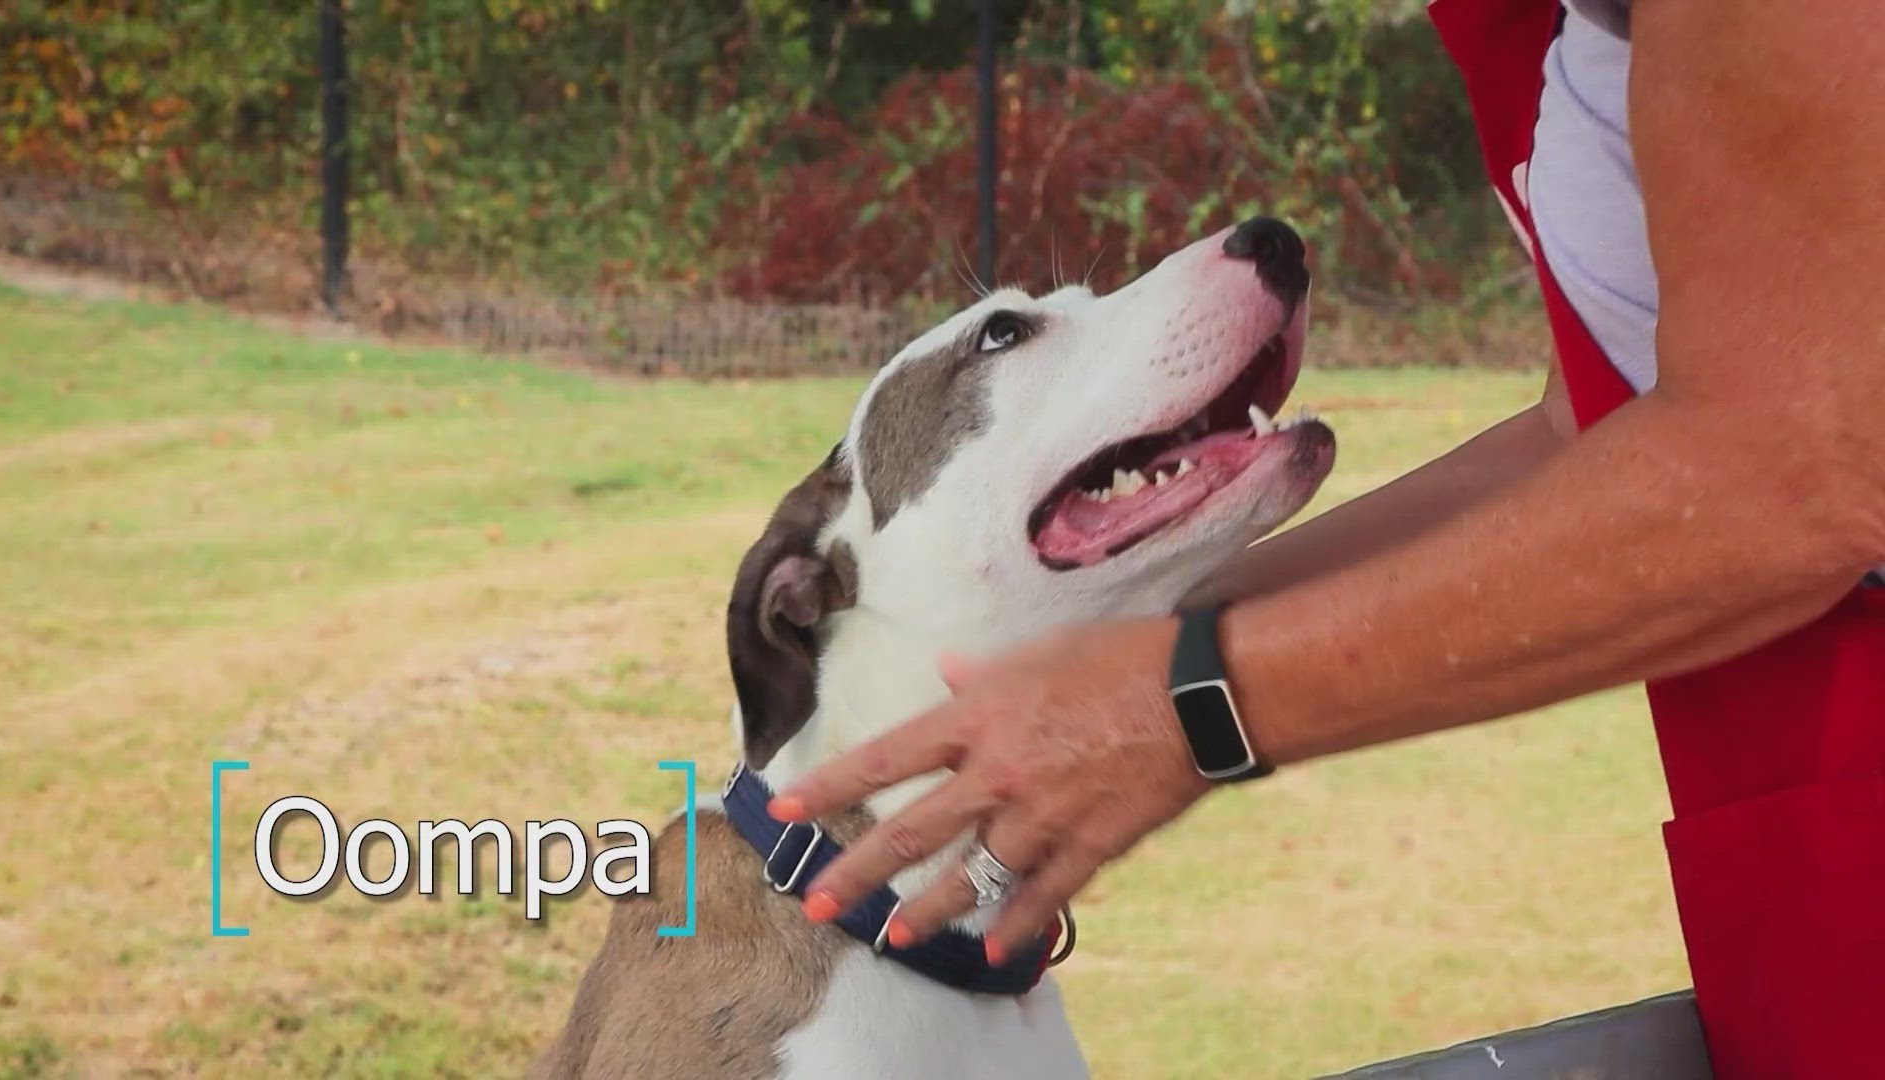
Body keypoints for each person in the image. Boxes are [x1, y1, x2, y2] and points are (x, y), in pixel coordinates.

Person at [764, 0, 1885, 1074]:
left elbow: (1807, 461)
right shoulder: (1527, 25)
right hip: (1812, 862)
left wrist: (1191, 702)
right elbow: (1587, 426)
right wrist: (1123, 634)